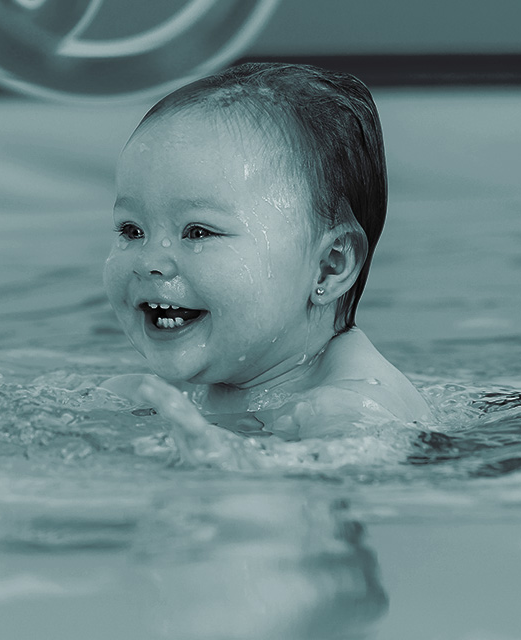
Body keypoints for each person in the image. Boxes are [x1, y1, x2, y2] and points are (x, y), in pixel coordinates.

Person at [101, 62, 430, 467]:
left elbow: (360, 460)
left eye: (199, 232)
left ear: (329, 265)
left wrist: (245, 467)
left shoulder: (348, 404)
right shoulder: (175, 388)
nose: (150, 261)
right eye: (132, 230)